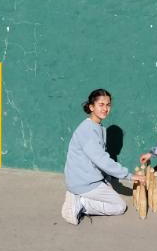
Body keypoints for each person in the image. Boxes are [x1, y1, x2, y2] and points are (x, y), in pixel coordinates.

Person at [61, 89, 144, 225]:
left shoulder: (98, 127)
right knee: (119, 206)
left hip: (88, 179)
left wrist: (106, 180)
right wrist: (129, 176)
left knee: (110, 191)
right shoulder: (88, 130)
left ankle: (79, 195)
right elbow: (102, 160)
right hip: (83, 182)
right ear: (91, 107)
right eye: (101, 105)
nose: (105, 109)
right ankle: (81, 203)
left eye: (108, 105)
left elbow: (97, 159)